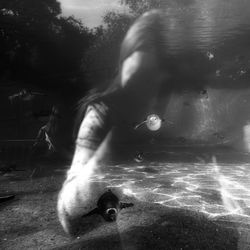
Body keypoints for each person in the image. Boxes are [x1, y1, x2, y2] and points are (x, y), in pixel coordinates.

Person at [57, 10, 179, 236]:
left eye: (155, 74)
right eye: (143, 73)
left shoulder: (141, 111)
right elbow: (70, 204)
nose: (151, 81)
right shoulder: (99, 113)